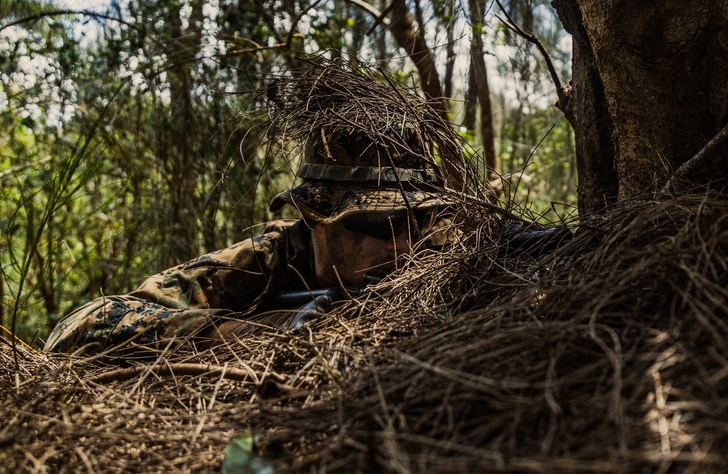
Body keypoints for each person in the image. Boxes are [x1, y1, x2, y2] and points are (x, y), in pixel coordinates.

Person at [44, 126, 456, 355]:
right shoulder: (258, 263)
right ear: (316, 217)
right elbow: (80, 325)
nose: (404, 245)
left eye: (417, 220)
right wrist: (242, 333)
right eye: (379, 224)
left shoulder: (434, 249)